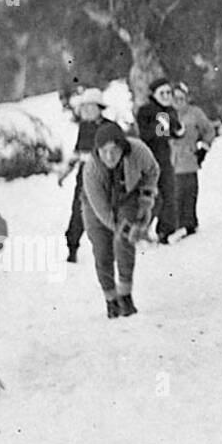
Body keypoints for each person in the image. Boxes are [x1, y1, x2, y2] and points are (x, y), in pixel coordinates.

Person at [81, 122, 159, 319]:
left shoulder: (138, 151)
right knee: (102, 251)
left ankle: (125, 295)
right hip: (96, 207)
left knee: (123, 242)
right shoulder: (91, 170)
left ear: (122, 147)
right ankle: (111, 299)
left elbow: (152, 171)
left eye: (114, 150)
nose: (109, 156)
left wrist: (145, 201)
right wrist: (120, 228)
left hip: (127, 196)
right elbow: (102, 210)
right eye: (104, 151)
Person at [56, 89, 116, 263]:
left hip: (104, 176)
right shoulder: (84, 127)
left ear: (99, 108)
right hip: (84, 176)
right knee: (79, 211)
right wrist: (65, 171)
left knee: (105, 211)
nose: (88, 111)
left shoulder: (109, 127)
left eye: (91, 107)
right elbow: (77, 152)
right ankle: (72, 247)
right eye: (85, 108)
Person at [135, 77, 184, 245]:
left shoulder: (169, 110)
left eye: (168, 92)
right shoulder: (147, 110)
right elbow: (148, 134)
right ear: (154, 95)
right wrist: (163, 126)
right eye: (161, 93)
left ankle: (166, 230)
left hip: (164, 157)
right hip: (149, 159)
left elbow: (175, 131)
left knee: (169, 193)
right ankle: (140, 230)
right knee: (153, 197)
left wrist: (177, 130)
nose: (165, 96)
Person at [170, 82, 216, 237]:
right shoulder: (164, 115)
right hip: (171, 162)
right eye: (174, 98)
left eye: (181, 98)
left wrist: (203, 148)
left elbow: (209, 130)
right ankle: (174, 226)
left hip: (189, 160)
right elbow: (161, 138)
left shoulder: (195, 113)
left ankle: (189, 224)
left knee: (188, 193)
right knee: (173, 195)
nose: (178, 101)